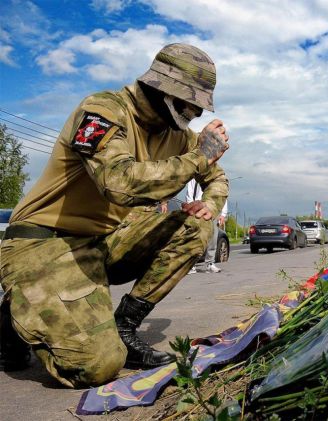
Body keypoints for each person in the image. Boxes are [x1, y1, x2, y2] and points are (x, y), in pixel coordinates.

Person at [0, 43, 229, 388]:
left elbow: (217, 176)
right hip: (44, 243)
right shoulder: (102, 111)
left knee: (196, 224)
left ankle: (124, 327)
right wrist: (200, 158)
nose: (197, 113)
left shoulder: (178, 135)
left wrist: (209, 202)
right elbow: (118, 184)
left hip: (104, 241)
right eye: (192, 102)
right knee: (97, 366)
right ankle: (13, 318)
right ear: (166, 90)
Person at [186, 178, 227, 273]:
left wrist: (223, 214)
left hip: (213, 210)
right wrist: (191, 209)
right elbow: (190, 192)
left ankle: (210, 263)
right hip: (198, 210)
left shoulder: (217, 177)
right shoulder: (195, 176)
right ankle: (192, 265)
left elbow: (222, 195)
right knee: (197, 238)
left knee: (213, 238)